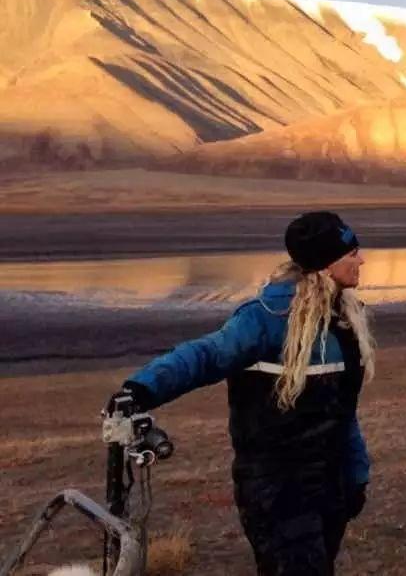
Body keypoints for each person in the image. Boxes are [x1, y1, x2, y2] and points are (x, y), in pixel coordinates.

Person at [106, 212, 375, 575]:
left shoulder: (340, 321)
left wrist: (356, 477)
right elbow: (205, 355)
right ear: (326, 264)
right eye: (352, 253)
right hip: (276, 489)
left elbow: (343, 414)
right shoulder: (264, 317)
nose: (361, 260)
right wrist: (140, 389)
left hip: (329, 487)